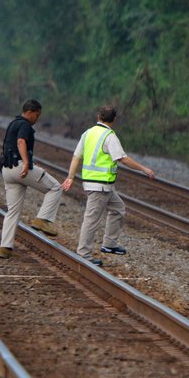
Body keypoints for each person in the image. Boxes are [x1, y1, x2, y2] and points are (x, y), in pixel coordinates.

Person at [61, 105, 155, 266]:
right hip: (99, 185)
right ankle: (83, 253)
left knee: (118, 209)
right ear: (114, 120)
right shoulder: (109, 136)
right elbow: (122, 158)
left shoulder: (88, 133)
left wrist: (70, 176)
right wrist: (144, 169)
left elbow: (76, 156)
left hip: (102, 186)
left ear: (98, 116)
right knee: (91, 220)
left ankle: (109, 244)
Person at [0, 99, 63, 259]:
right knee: (55, 188)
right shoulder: (25, 125)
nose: (37, 119)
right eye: (37, 115)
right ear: (30, 112)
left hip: (7, 169)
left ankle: (5, 248)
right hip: (21, 167)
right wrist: (26, 162)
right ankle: (42, 219)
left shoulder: (13, 123)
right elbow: (21, 141)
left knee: (12, 211)